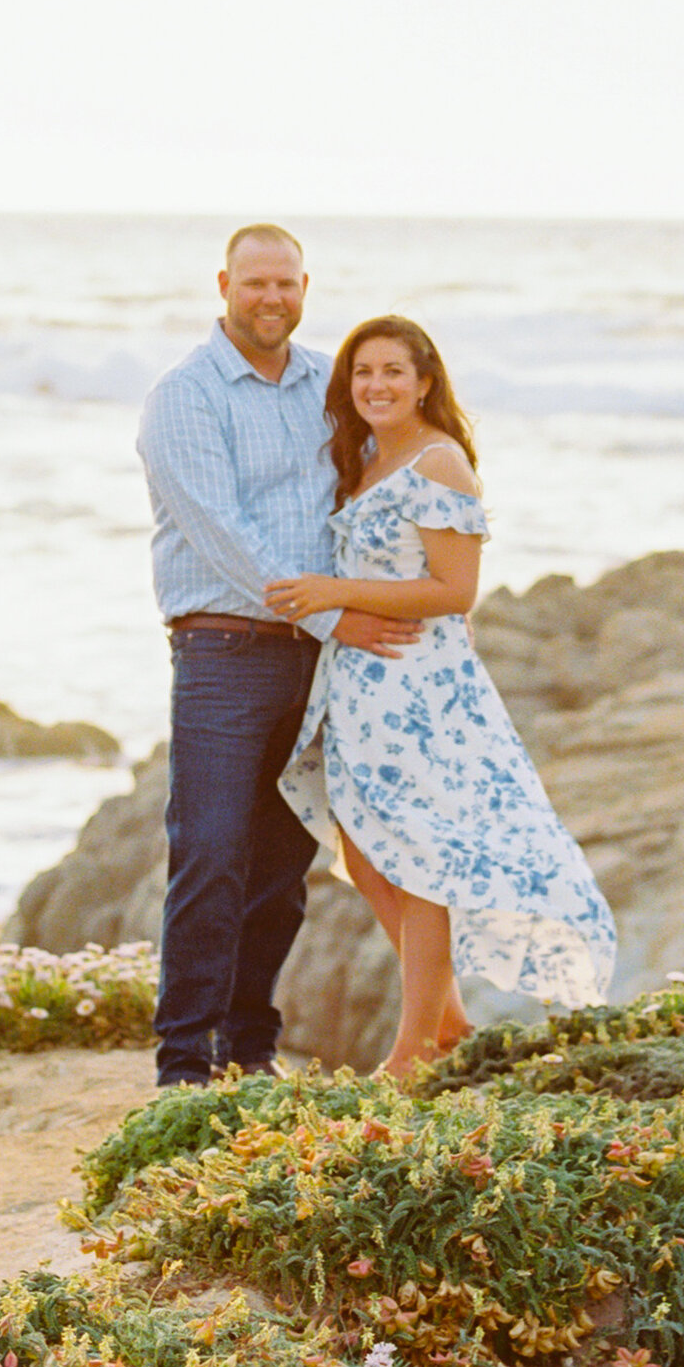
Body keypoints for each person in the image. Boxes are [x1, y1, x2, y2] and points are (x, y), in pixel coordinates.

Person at [266, 314, 614, 1075]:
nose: (376, 386)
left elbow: (455, 591)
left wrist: (331, 591)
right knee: (363, 856)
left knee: (421, 861)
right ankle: (449, 1018)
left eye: (393, 371)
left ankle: (415, 1043)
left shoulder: (440, 461)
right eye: (363, 373)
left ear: (425, 382)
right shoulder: (362, 458)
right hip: (362, 684)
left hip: (421, 688)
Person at [135, 227, 417, 1089]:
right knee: (212, 853)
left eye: (286, 284)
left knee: (285, 866)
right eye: (255, 282)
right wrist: (340, 619)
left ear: (306, 287)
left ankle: (249, 1047)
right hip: (224, 653)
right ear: (224, 283)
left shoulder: (330, 386)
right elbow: (226, 536)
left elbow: (384, 489)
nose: (271, 298)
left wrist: (420, 590)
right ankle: (184, 1062)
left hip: (323, 659)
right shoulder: (185, 397)